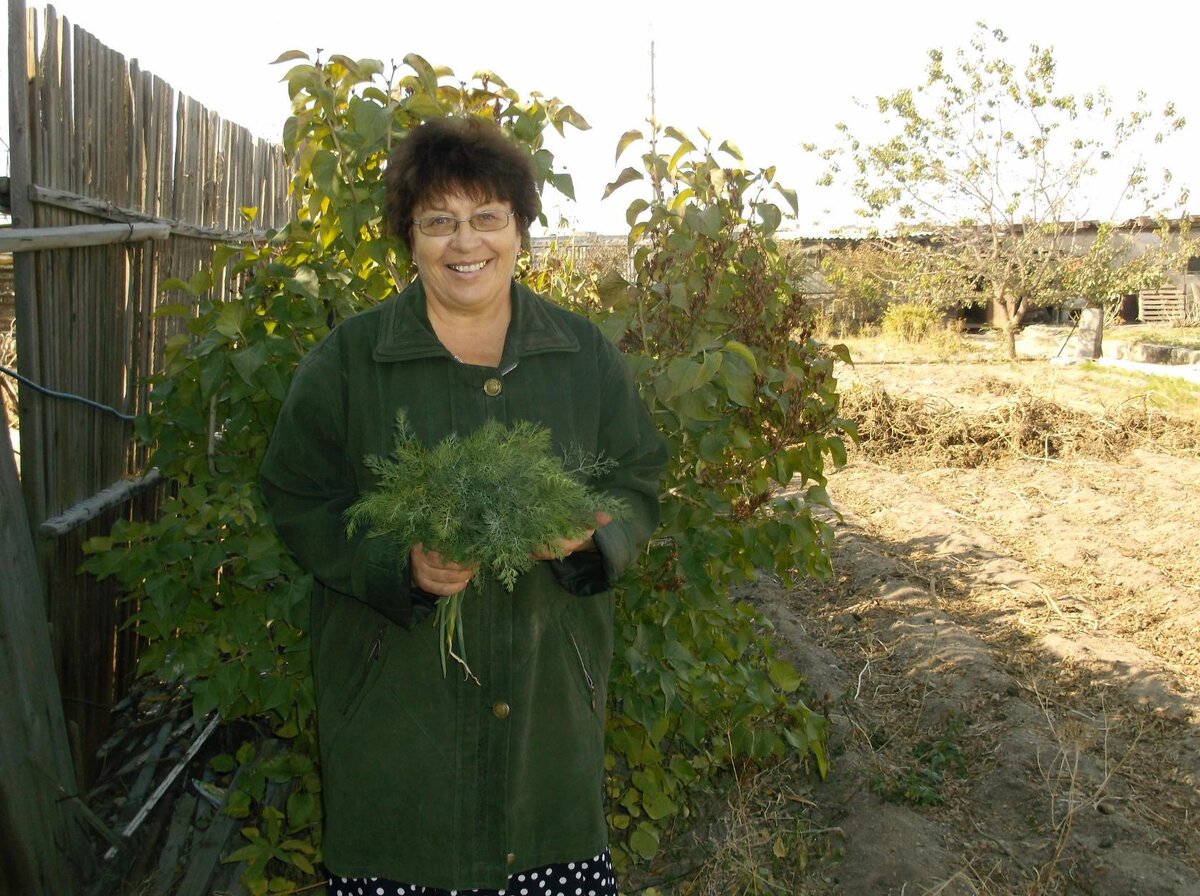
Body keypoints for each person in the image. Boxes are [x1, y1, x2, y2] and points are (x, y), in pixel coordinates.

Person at [259, 115, 666, 896]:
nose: (464, 242)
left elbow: (637, 475)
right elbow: (295, 495)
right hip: (396, 728)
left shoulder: (581, 356)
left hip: (548, 724)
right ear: (408, 239)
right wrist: (395, 565)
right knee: (408, 846)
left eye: (487, 218)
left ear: (519, 230)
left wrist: (590, 539)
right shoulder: (351, 359)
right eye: (439, 222)